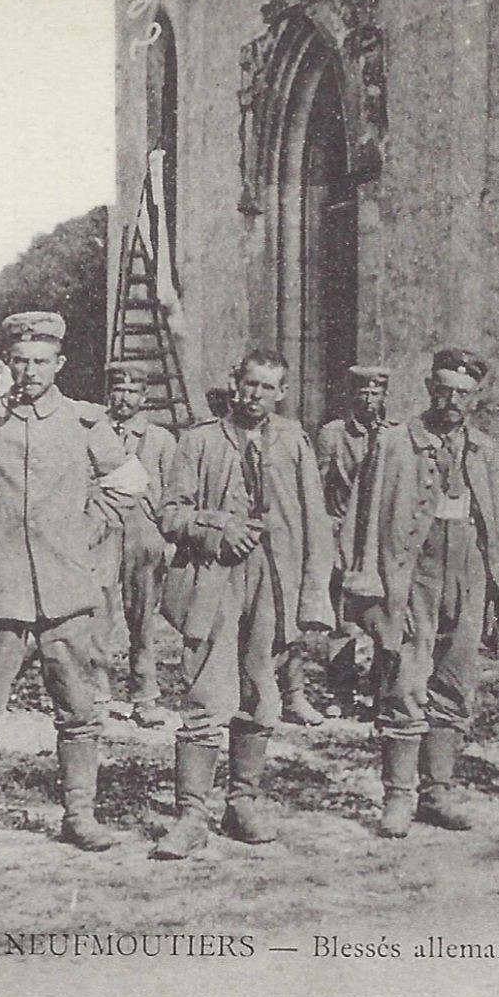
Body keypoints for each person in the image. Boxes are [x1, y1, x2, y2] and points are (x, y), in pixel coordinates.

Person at [0, 311, 146, 860]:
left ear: (60, 364)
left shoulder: (84, 421)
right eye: (20, 361)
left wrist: (87, 530)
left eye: (41, 362)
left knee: (78, 711)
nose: (29, 372)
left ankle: (80, 815)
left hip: (65, 592)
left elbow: (125, 482)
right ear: (9, 363)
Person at [153, 350, 335, 860]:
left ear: (280, 393)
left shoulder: (293, 440)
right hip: (214, 581)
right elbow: (169, 513)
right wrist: (216, 528)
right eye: (248, 384)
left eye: (267, 387)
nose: (255, 395)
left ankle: (242, 802)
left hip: (273, 582)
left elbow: (315, 519)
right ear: (235, 384)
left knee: (261, 692)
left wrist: (313, 595)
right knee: (207, 695)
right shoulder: (200, 440)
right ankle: (191, 815)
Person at [341, 348, 499, 838]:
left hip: (466, 574)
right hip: (412, 577)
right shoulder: (395, 443)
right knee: (404, 679)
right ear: (429, 388)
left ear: (475, 398)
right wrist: (377, 588)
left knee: (454, 681)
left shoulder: (484, 450)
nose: (452, 402)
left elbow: (498, 523)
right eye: (443, 391)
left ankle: (436, 792)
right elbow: (367, 517)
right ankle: (399, 796)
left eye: (463, 394)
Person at [94, 361, 179, 726]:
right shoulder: (95, 433)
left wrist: (169, 538)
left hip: (145, 536)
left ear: (144, 397)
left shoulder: (160, 439)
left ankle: (145, 694)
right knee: (98, 613)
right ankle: (97, 692)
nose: (124, 398)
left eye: (132, 391)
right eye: (118, 390)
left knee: (142, 619)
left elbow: (174, 493)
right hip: (104, 531)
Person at [313, 364, 397, 721]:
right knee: (342, 619)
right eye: (362, 392)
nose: (368, 399)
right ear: (352, 395)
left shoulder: (396, 436)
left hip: (379, 539)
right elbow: (316, 489)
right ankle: (341, 690)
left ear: (385, 396)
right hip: (341, 533)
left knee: (383, 615)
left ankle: (380, 691)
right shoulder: (333, 435)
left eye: (375, 393)